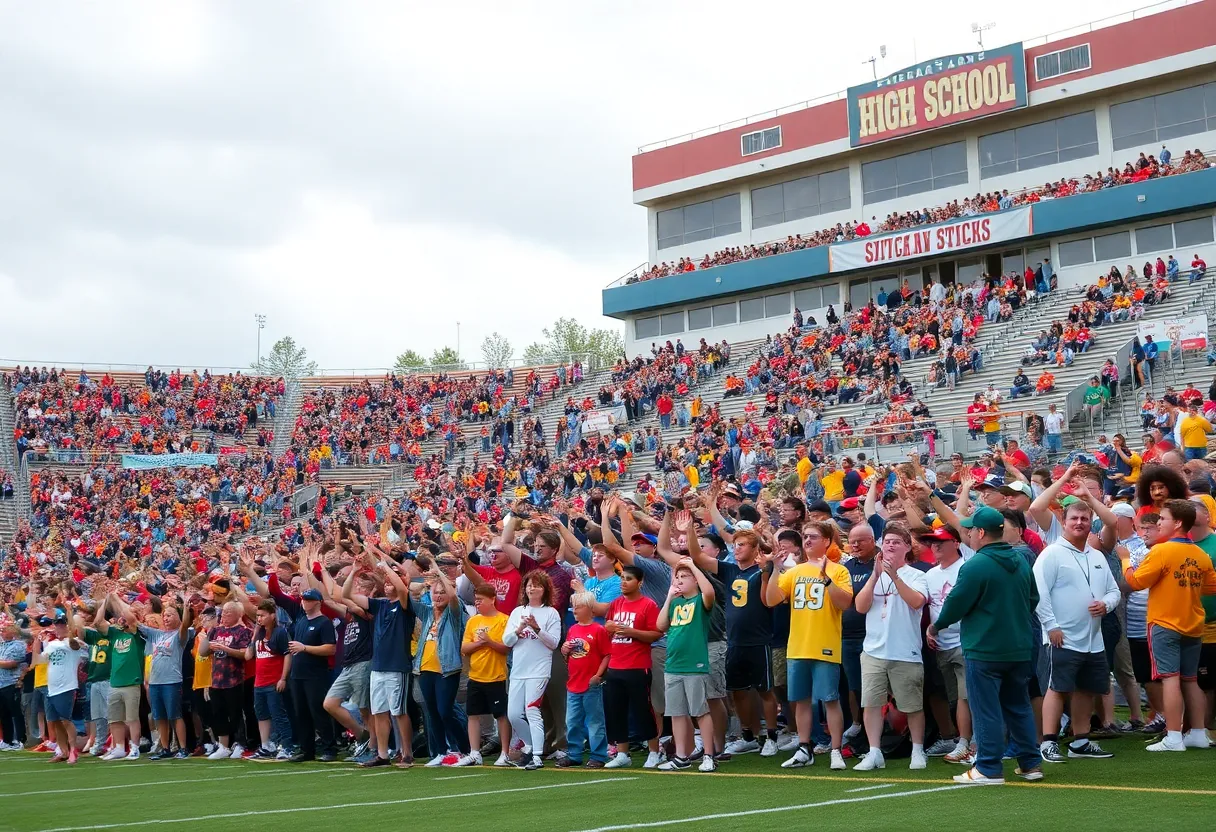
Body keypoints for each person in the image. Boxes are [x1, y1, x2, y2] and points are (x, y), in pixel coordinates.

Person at [928, 506, 1042, 785]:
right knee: (1018, 705)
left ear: (981, 533)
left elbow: (955, 605)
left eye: (971, 530)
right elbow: (1032, 600)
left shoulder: (975, 565)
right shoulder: (1021, 560)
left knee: (986, 708)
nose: (969, 535)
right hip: (1018, 646)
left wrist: (936, 625)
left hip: (985, 648)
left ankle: (989, 768)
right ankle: (1030, 763)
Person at [1123, 500, 1216, 751]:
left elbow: (1137, 581)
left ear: (1177, 523)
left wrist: (1125, 562)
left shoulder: (1161, 551)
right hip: (1193, 624)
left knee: (1170, 679)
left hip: (1165, 623)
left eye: (1162, 519)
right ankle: (1197, 732)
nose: (1159, 523)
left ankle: (1174, 736)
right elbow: (1211, 587)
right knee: (1190, 679)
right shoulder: (1200, 554)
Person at [1033, 501, 1120, 763]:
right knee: (1056, 687)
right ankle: (1048, 742)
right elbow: (1039, 593)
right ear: (1064, 520)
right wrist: (1051, 626)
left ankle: (1080, 741)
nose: (1079, 523)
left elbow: (1114, 591)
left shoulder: (1096, 556)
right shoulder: (1051, 554)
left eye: (1084, 518)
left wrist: (1105, 604)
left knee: (1087, 689)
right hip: (1061, 636)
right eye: (1075, 518)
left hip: (1094, 639)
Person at [765, 520, 854, 770]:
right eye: (805, 536)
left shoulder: (839, 570)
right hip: (798, 645)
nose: (807, 541)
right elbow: (771, 600)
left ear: (827, 541)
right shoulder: (794, 571)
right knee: (801, 700)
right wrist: (775, 570)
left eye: (813, 536)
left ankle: (835, 749)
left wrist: (826, 579)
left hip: (825, 643)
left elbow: (845, 603)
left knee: (829, 699)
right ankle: (805, 748)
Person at [343, 555, 417, 768]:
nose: (386, 586)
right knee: (379, 712)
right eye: (384, 583)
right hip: (378, 667)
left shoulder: (405, 604)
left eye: (389, 582)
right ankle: (383, 754)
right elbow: (347, 594)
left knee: (399, 711)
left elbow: (402, 590)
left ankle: (407, 753)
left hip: (397, 667)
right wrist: (355, 571)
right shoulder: (379, 605)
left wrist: (386, 567)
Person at [920, 526, 975, 765]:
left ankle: (967, 743)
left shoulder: (967, 568)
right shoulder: (930, 574)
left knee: (965, 697)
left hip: (966, 642)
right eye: (932, 542)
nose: (935, 546)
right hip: (942, 645)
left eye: (941, 541)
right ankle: (965, 740)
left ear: (956, 543)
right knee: (955, 698)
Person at [655, 558, 717, 772]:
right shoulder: (676, 602)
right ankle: (681, 756)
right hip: (673, 665)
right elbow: (660, 625)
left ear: (695, 580)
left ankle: (709, 754)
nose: (680, 581)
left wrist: (692, 566)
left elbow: (709, 593)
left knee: (700, 710)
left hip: (694, 665)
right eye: (678, 577)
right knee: (677, 712)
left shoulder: (700, 601)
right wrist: (669, 597)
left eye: (685, 577)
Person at [601, 565, 663, 769]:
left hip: (638, 666)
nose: (624, 582)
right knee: (615, 711)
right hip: (615, 665)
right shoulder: (616, 604)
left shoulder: (648, 605)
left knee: (643, 710)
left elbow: (656, 634)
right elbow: (608, 630)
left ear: (640, 582)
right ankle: (622, 753)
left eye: (628, 578)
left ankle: (655, 751)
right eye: (622, 578)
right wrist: (608, 628)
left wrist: (632, 632)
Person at [503, 571, 562, 770]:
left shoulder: (551, 613)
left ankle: (537, 756)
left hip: (539, 670)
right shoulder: (517, 612)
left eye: (536, 585)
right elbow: (507, 641)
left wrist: (537, 628)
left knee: (532, 709)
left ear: (545, 589)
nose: (531, 588)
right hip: (519, 670)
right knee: (513, 714)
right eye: (528, 585)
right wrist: (519, 629)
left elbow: (553, 643)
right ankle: (529, 745)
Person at [412, 561, 469, 766]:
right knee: (432, 712)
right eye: (435, 592)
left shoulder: (454, 614)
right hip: (425, 669)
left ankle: (463, 749)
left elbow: (454, 597)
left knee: (445, 711)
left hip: (446, 670)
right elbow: (406, 596)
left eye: (441, 593)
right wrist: (422, 584)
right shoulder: (427, 613)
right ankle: (440, 752)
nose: (438, 596)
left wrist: (437, 569)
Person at [458, 584, 512, 767]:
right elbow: (464, 648)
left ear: (492, 599)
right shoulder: (473, 621)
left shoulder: (504, 620)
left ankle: (505, 752)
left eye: (480, 600)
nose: (477, 603)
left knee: (501, 715)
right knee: (472, 714)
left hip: (496, 676)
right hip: (476, 675)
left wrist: (488, 641)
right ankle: (474, 752)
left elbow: (506, 648)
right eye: (476, 600)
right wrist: (481, 644)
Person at [287, 588, 339, 763]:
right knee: (301, 713)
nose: (304, 602)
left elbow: (330, 648)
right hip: (299, 673)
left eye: (308, 600)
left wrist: (305, 648)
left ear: (317, 602)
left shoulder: (324, 622)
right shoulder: (301, 621)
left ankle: (329, 748)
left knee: (318, 712)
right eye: (303, 599)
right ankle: (306, 749)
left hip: (315, 674)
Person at [93, 593, 146, 761]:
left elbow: (131, 618)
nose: (121, 619)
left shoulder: (136, 634)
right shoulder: (115, 633)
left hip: (131, 681)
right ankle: (119, 748)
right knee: (114, 719)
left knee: (131, 718)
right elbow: (97, 622)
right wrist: (105, 602)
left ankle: (135, 747)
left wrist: (115, 598)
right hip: (115, 682)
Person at [561, 591, 610, 769]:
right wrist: (564, 651)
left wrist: (598, 675)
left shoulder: (598, 630)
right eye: (573, 606)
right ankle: (574, 753)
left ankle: (598, 755)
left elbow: (606, 654)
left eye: (579, 607)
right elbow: (569, 656)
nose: (575, 610)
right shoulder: (573, 629)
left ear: (590, 609)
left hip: (590, 684)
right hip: (573, 683)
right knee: (572, 720)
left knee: (595, 721)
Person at [198, 602, 253, 761]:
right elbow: (202, 652)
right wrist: (209, 636)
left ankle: (240, 743)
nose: (224, 615)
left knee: (236, 713)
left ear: (238, 614)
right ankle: (223, 745)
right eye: (223, 612)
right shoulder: (215, 630)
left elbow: (244, 655)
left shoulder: (243, 632)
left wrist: (225, 648)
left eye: (228, 613)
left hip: (234, 679)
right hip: (216, 679)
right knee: (218, 713)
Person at [32, 612, 86, 764]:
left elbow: (75, 646)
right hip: (51, 687)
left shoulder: (74, 642)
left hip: (66, 687)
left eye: (62, 624)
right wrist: (37, 641)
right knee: (55, 721)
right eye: (57, 625)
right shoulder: (52, 644)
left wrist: (70, 631)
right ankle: (63, 751)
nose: (59, 627)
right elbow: (39, 660)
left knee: (66, 720)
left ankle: (73, 750)